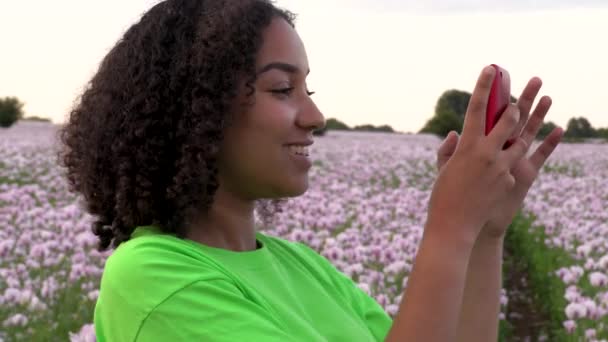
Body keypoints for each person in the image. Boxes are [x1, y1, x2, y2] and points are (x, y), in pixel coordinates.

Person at [57, 0, 564, 341]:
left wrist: (486, 233)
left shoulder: (299, 264)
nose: (315, 117)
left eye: (309, 91)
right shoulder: (155, 279)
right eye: (283, 90)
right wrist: (451, 225)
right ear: (196, 109)